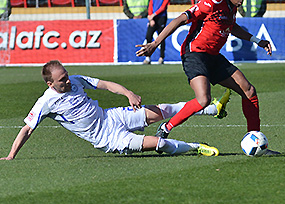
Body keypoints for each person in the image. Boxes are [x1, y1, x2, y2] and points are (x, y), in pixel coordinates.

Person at [0, 60, 230, 160]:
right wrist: (12, 155)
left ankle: (210, 109)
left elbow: (107, 85)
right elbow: (27, 129)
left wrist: (129, 93)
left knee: (163, 109)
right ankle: (196, 148)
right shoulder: (46, 102)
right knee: (157, 143)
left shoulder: (77, 80)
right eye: (62, 80)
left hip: (112, 116)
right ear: (50, 84)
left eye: (67, 76)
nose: (68, 81)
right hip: (107, 138)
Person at [136, 0, 272, 142]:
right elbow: (180, 19)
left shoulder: (232, 6)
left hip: (213, 56)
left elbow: (231, 27)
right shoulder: (213, 1)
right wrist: (155, 43)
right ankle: (166, 127)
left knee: (249, 90)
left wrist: (257, 41)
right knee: (204, 99)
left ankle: (255, 139)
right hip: (194, 54)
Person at [143, 0, 170, 65]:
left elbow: (163, 6)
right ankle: (148, 57)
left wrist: (153, 15)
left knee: (161, 37)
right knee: (148, 37)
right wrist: (150, 17)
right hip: (153, 17)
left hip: (161, 17)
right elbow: (151, 5)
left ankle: (161, 57)